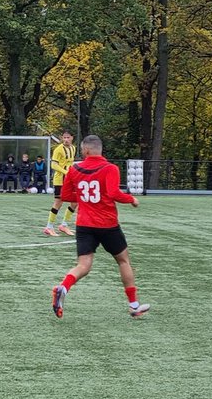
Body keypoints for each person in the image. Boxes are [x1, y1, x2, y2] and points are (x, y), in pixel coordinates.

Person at [50, 134, 151, 319]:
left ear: (86, 150)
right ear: (100, 149)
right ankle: (134, 305)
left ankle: (63, 287)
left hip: (84, 224)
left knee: (83, 265)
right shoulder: (110, 168)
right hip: (107, 224)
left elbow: (65, 195)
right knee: (123, 261)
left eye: (82, 150)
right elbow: (113, 193)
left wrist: (83, 198)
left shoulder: (74, 169)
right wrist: (131, 199)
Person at [45, 131, 77, 236]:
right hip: (60, 179)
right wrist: (66, 172)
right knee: (58, 202)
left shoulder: (73, 148)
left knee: (75, 202)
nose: (66, 139)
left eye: (68, 137)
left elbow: (70, 163)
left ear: (72, 138)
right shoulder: (58, 149)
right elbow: (53, 165)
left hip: (70, 179)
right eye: (64, 137)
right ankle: (49, 227)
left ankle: (64, 225)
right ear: (62, 138)